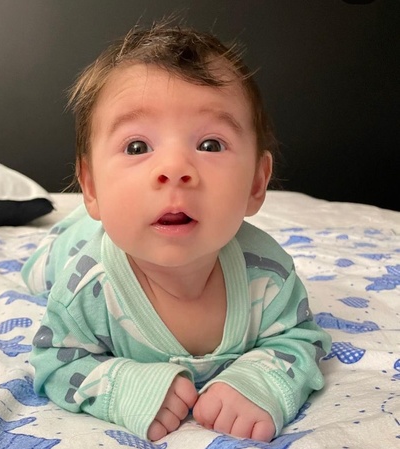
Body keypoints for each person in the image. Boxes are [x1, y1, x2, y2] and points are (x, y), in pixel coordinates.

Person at [22, 19, 331, 443]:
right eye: (137, 147)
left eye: (210, 144)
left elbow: (300, 338)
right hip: (73, 245)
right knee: (40, 271)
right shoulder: (85, 290)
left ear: (256, 184)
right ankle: (72, 225)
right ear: (90, 187)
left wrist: (259, 381)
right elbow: (55, 361)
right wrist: (125, 386)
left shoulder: (268, 276)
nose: (174, 168)